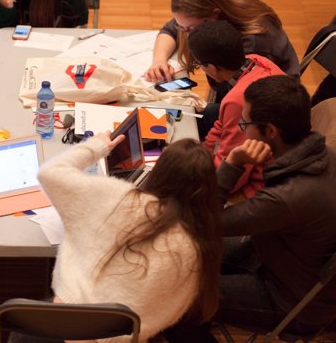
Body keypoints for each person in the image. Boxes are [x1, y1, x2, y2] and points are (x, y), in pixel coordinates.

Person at [172, 75, 336, 341]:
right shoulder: (324, 152)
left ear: (270, 131)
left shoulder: (287, 198)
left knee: (175, 298)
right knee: (185, 247)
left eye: (245, 124)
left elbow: (203, 221)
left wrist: (233, 162)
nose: (241, 129)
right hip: (283, 257)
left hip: (289, 299)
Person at [34, 135, 222, 342]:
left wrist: (96, 146)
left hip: (74, 318)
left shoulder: (120, 199)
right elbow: (171, 310)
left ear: (160, 171)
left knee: (23, 332)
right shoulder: (197, 245)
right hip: (127, 334)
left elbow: (49, 173)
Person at [188, 20, 285, 198]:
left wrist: (198, 174)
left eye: (199, 64)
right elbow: (221, 124)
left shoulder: (238, 101)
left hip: (264, 184)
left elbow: (235, 170)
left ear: (213, 67)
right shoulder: (258, 61)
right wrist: (202, 154)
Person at [145, 0, 299, 83]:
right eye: (182, 27)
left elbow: (237, 94)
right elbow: (170, 30)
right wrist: (159, 61)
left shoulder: (251, 43)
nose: (186, 35)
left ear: (214, 15)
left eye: (191, 29)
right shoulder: (210, 3)